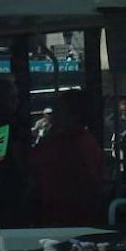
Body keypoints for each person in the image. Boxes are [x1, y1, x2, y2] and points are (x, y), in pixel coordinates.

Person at [29, 89, 103, 223]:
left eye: (60, 109)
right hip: (80, 211)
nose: (55, 115)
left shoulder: (64, 142)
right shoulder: (88, 140)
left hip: (60, 212)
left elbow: (33, 163)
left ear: (74, 114)